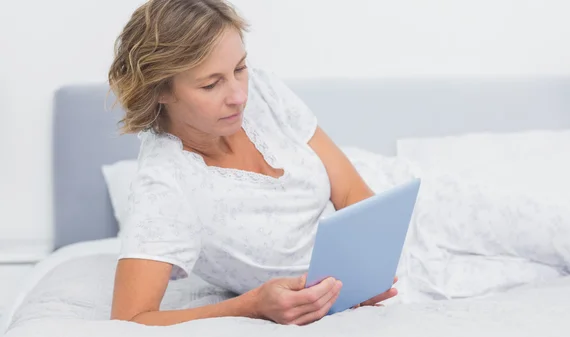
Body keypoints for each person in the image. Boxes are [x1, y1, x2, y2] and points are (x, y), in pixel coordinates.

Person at [108, 0, 398, 327]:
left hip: (389, 229)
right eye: (210, 84)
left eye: (240, 68)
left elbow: (350, 191)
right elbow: (128, 320)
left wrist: (371, 269)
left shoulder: (263, 91)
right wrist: (253, 305)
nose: (239, 96)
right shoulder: (166, 185)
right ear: (158, 89)